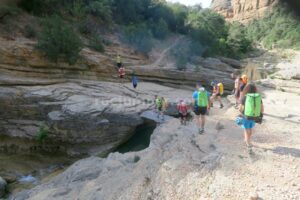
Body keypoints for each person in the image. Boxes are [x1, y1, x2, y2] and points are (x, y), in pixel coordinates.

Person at [238, 82, 264, 154]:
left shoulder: (245, 97)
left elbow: (240, 109)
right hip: (255, 116)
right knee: (250, 128)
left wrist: (240, 112)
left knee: (246, 129)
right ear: (255, 89)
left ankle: (248, 143)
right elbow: (262, 108)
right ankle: (247, 140)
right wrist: (260, 115)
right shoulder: (258, 97)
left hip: (246, 116)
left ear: (246, 89)